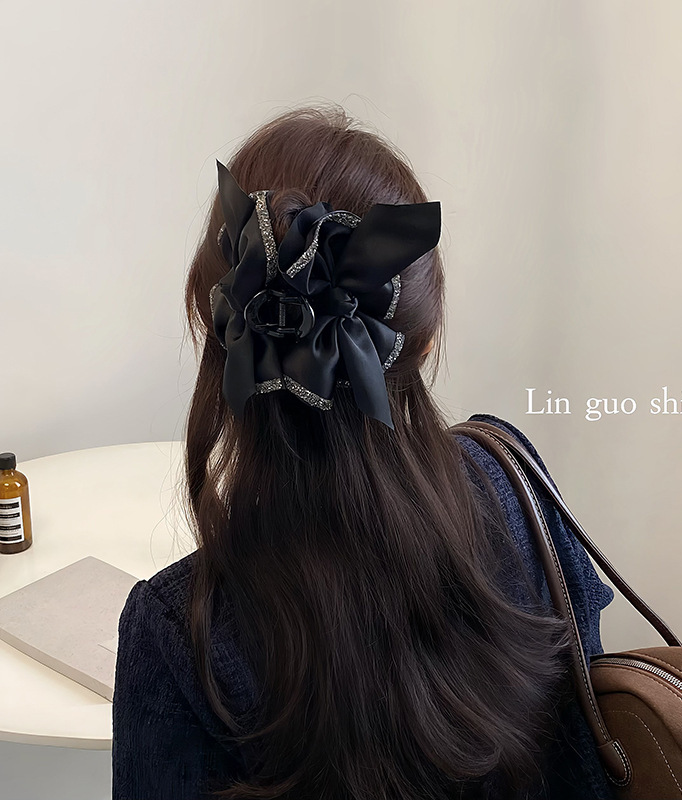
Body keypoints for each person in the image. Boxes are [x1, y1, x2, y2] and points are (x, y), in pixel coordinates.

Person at [111, 105, 616, 800]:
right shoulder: (514, 484)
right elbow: (591, 754)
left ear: (214, 323)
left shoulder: (176, 633)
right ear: (423, 343)